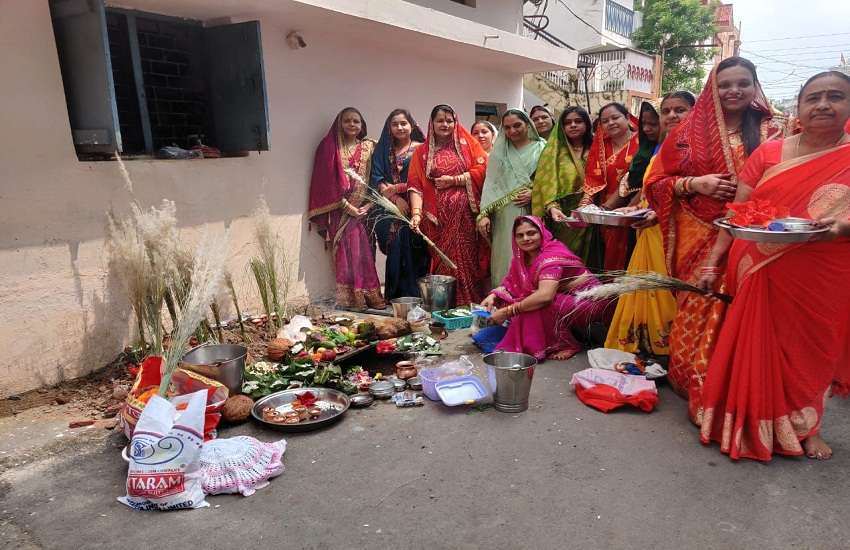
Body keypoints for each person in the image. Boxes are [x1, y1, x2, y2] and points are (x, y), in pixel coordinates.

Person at [696, 71, 850, 461]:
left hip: (827, 268)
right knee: (759, 341)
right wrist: (713, 262)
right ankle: (748, 416)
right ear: (799, 108)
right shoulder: (769, 153)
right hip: (759, 265)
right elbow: (740, 212)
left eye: (836, 97)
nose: (824, 105)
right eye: (814, 98)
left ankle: (807, 425)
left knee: (814, 348)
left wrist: (843, 225)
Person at [644, 57, 783, 424]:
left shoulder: (775, 133)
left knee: (743, 310)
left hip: (753, 235)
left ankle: (736, 388)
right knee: (699, 303)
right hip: (696, 231)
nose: (733, 91)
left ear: (755, 86)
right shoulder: (685, 134)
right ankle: (694, 380)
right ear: (712, 89)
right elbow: (654, 184)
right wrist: (694, 184)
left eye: (743, 83)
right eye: (725, 84)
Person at [605, 92, 696, 357]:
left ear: (695, 111)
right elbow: (650, 188)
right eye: (666, 111)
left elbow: (696, 194)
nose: (671, 116)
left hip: (678, 230)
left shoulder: (699, 148)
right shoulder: (664, 148)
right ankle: (646, 344)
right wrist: (636, 207)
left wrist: (655, 210)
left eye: (680, 110)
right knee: (647, 288)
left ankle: (671, 349)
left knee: (667, 290)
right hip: (649, 227)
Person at [480, 216, 603, 361]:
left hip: (589, 302)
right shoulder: (522, 257)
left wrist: (507, 312)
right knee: (517, 301)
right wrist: (493, 296)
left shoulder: (551, 256)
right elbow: (511, 282)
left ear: (542, 232)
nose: (526, 238)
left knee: (535, 304)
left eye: (531, 233)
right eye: (520, 235)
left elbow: (545, 296)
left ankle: (565, 344)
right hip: (562, 297)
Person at [408, 105, 489, 306]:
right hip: (437, 220)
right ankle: (445, 303)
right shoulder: (422, 152)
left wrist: (456, 180)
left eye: (449, 120)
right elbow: (415, 185)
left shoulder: (468, 144)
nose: (445, 124)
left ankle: (470, 302)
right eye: (440, 121)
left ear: (455, 122)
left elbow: (484, 168)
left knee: (467, 260)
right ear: (431, 124)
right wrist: (416, 214)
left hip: (466, 217)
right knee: (443, 260)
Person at [308, 107, 386, 310]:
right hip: (341, 212)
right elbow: (325, 183)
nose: (352, 124)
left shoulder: (371, 147)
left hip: (365, 211)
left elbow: (378, 177)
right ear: (339, 124)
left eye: (356, 121)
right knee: (346, 253)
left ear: (362, 125)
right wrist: (348, 207)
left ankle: (370, 296)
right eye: (347, 121)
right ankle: (351, 299)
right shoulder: (330, 149)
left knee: (365, 253)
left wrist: (369, 204)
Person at [477, 109, 547, 287]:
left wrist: (534, 193)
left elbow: (550, 180)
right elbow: (491, 183)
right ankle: (503, 297)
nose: (512, 131)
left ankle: (530, 299)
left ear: (528, 125)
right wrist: (484, 213)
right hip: (503, 214)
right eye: (507, 128)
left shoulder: (542, 148)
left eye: (517, 125)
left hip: (534, 210)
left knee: (531, 253)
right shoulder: (499, 152)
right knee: (505, 254)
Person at [369, 109, 430, 300]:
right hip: (390, 209)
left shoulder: (422, 148)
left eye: (404, 123)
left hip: (419, 206)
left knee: (417, 249)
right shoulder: (382, 151)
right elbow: (376, 177)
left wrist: (400, 189)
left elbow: (427, 179)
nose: (400, 127)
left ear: (412, 126)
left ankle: (416, 296)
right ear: (389, 128)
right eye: (395, 124)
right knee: (395, 249)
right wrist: (395, 200)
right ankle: (395, 297)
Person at [580, 102, 640, 271]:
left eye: (615, 117)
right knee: (605, 254)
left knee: (630, 253)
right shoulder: (600, 145)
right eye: (605, 121)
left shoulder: (643, 141)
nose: (611, 123)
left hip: (634, 207)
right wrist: (585, 206)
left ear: (627, 117)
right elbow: (592, 177)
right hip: (604, 212)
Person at [532, 106, 595, 264]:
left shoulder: (597, 148)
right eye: (568, 123)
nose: (573, 125)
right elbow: (545, 182)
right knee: (565, 260)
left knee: (591, 260)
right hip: (563, 216)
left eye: (578, 121)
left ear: (587, 124)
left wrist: (588, 202)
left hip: (594, 213)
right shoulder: (554, 152)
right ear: (562, 127)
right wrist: (553, 207)